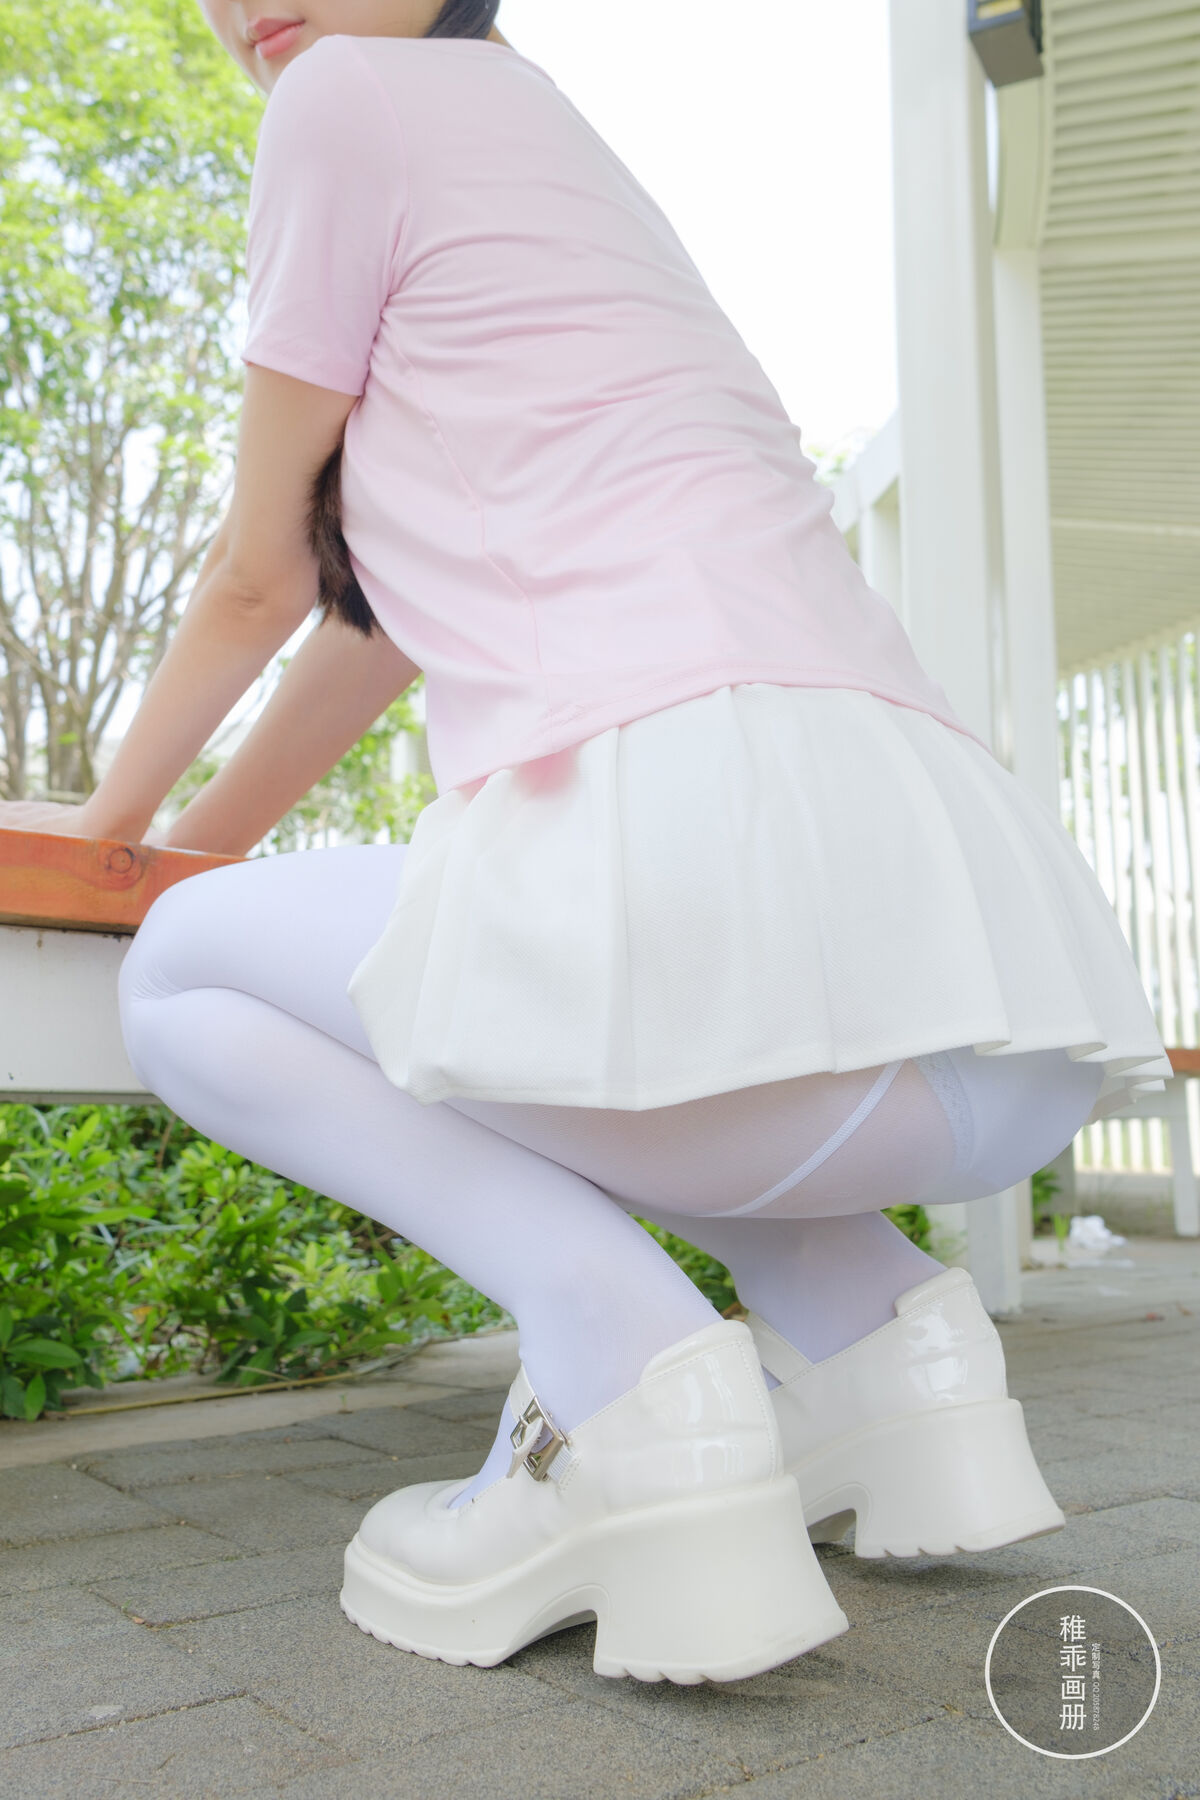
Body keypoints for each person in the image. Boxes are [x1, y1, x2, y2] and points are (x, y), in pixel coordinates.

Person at [1, 0, 1172, 1683]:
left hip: (755, 979)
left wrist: (107, 834)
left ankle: (620, 1376)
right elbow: (374, 633)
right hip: (995, 1019)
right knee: (531, 1002)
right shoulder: (543, 139)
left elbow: (259, 579)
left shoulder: (346, 95)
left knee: (186, 979)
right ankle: (882, 1350)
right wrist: (192, 840)